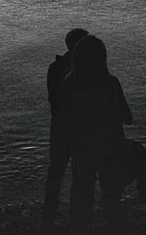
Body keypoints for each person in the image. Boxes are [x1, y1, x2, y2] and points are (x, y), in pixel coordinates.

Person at [65, 35, 136, 233]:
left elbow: (65, 117)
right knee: (111, 193)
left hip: (81, 147)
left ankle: (81, 228)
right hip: (111, 145)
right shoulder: (110, 82)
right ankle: (113, 227)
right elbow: (127, 118)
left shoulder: (71, 82)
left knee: (81, 194)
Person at [43, 27, 91, 224]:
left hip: (60, 127)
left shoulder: (55, 68)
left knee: (56, 172)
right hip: (75, 129)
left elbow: (53, 101)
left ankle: (49, 216)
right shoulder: (85, 71)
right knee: (79, 173)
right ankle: (76, 216)